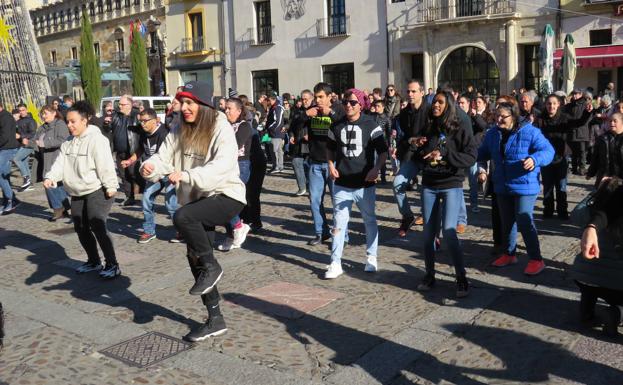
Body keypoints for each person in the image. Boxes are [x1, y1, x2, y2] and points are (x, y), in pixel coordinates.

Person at [140, 81, 246, 342]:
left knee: (182, 216)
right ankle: (215, 318)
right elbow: (165, 155)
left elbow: (222, 167)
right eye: (181, 102)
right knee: (194, 256)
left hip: (226, 194)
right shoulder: (178, 126)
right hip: (198, 198)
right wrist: (150, 166)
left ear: (204, 104)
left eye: (190, 103)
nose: (184, 108)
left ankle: (212, 266)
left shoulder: (220, 126)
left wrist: (186, 175)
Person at [43, 101, 121, 278]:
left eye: (73, 121)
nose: (69, 126)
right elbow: (60, 164)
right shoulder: (68, 143)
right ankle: (93, 261)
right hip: (77, 192)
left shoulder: (97, 140)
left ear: (85, 120)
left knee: (97, 224)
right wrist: (51, 177)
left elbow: (106, 165)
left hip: (98, 190)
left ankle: (112, 264)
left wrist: (110, 186)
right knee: (81, 227)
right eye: (68, 122)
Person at [478, 102, 554, 276]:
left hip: (525, 184)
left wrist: (535, 159)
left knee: (523, 219)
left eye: (502, 117)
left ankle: (536, 259)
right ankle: (509, 254)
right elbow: (481, 153)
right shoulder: (492, 134)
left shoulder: (530, 131)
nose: (498, 120)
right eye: (496, 116)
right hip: (502, 184)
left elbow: (548, 150)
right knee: (507, 222)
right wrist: (477, 165)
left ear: (513, 116)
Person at [414, 90, 477, 297]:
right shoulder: (429, 122)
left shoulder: (461, 123)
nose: (435, 106)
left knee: (449, 232)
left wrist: (445, 153)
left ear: (449, 104)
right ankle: (429, 275)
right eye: (434, 102)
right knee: (428, 235)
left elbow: (470, 156)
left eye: (440, 102)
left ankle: (461, 278)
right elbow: (420, 151)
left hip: (451, 183)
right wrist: (417, 145)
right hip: (429, 183)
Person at [325, 89, 388, 279]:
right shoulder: (336, 125)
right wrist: (330, 165)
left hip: (364, 184)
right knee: (338, 223)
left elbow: (383, 151)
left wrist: (377, 168)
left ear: (361, 104)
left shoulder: (372, 124)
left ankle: (371, 257)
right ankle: (335, 263)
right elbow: (329, 148)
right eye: (346, 102)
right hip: (342, 184)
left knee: (369, 220)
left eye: (353, 102)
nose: (348, 105)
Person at [573, 177, 623, 336]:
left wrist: (595, 191)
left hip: (583, 278)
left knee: (590, 285)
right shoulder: (614, 216)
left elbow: (575, 214)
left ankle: (586, 313)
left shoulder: (589, 211)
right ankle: (617, 313)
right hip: (615, 284)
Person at [122, 108, 177, 244]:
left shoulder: (164, 133)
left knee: (170, 204)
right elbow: (141, 149)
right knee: (146, 199)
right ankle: (149, 231)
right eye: (140, 121)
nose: (142, 124)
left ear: (155, 120)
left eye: (145, 121)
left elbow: (170, 155)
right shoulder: (143, 132)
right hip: (152, 174)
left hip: (167, 171)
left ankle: (181, 230)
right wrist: (130, 160)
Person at [535, 94, 593, 219]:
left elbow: (579, 122)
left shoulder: (564, 118)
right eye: (549, 103)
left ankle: (562, 211)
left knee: (561, 186)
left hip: (561, 156)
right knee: (548, 185)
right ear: (545, 105)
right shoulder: (540, 119)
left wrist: (587, 113)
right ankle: (548, 210)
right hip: (545, 157)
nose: (551, 106)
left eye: (554, 103)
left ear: (558, 105)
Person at [305, 82, 345, 245]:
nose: (318, 100)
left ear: (330, 97)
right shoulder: (312, 110)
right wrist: (305, 115)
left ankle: (342, 235)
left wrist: (332, 114)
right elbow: (293, 125)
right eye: (316, 97)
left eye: (321, 97)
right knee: (314, 200)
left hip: (334, 163)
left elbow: (345, 127)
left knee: (339, 201)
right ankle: (321, 232)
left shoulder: (340, 110)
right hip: (315, 163)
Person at [393, 79, 429, 237]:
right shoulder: (404, 113)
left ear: (422, 92)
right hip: (412, 155)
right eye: (408, 91)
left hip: (428, 156)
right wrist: (411, 140)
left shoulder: (430, 110)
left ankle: (430, 225)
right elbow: (402, 137)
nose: (410, 94)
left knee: (427, 191)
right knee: (397, 184)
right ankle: (407, 216)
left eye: (414, 91)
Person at [216, 98, 253, 251]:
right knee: (219, 199)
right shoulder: (224, 125)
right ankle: (232, 233)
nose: (227, 111)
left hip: (240, 165)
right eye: (226, 109)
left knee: (228, 199)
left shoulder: (244, 126)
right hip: (224, 165)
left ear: (239, 111)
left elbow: (235, 144)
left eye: (230, 108)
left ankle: (238, 227)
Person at [35, 105, 71, 221]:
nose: (43, 116)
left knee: (48, 183)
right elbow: (36, 140)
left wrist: (46, 143)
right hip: (44, 158)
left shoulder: (60, 124)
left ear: (54, 113)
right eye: (42, 114)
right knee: (57, 185)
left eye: (45, 113)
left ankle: (58, 209)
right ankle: (64, 208)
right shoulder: (43, 127)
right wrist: (26, 141)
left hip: (56, 158)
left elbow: (64, 140)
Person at [110, 94, 141, 206]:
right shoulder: (115, 116)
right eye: (120, 104)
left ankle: (140, 188)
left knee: (133, 173)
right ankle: (129, 197)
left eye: (123, 104)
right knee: (124, 175)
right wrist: (106, 122)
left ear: (130, 105)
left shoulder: (137, 115)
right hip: (120, 152)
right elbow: (107, 128)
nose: (120, 106)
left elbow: (144, 130)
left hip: (134, 151)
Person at [586, 112, 623, 187]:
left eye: (615, 121)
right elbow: (595, 158)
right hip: (605, 177)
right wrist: (590, 173)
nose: (612, 123)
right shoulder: (602, 138)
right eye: (610, 121)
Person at [288, 90, 312, 195]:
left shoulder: (316, 111)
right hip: (298, 143)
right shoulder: (297, 111)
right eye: (302, 99)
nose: (304, 101)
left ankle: (310, 187)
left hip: (311, 145)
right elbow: (291, 126)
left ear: (312, 98)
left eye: (306, 99)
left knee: (309, 167)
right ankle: (302, 187)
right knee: (296, 162)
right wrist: (291, 136)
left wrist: (312, 136)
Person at [0, 99, 20, 214]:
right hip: (4, 149)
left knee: (1, 175)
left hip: (7, 149)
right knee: (4, 176)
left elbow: (5, 136)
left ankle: (10, 200)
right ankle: (11, 200)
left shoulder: (5, 118)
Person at [565, 88, 590, 176]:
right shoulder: (569, 105)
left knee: (582, 151)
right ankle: (574, 168)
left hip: (581, 131)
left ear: (581, 94)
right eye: (573, 94)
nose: (575, 96)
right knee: (573, 151)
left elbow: (588, 118)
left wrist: (578, 123)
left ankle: (582, 168)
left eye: (577, 94)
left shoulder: (585, 104)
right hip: (572, 131)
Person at [13, 103, 37, 191]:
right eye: (20, 111)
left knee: (16, 159)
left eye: (23, 110)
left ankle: (26, 178)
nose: (22, 112)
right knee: (24, 161)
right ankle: (29, 183)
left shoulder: (31, 120)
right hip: (23, 144)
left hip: (30, 143)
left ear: (26, 110)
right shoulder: (18, 121)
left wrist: (21, 136)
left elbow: (33, 133)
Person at [371, 99, 392, 184]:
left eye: (378, 106)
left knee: (382, 161)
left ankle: (383, 177)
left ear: (383, 107)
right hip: (372, 141)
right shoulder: (372, 116)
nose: (376, 107)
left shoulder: (387, 118)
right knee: (372, 159)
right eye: (375, 106)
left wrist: (389, 144)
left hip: (382, 141)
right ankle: (373, 176)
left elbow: (389, 132)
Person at [266, 93, 285, 173]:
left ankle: (277, 167)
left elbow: (277, 121)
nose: (267, 102)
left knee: (275, 151)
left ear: (271, 99)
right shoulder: (274, 107)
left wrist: (270, 127)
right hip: (275, 132)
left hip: (276, 132)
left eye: (268, 100)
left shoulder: (277, 107)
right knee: (278, 150)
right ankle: (279, 166)